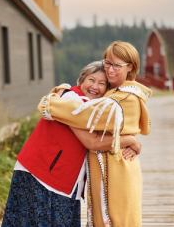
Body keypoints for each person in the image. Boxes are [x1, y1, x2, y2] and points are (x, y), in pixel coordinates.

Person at [1, 61, 141, 227]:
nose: (95, 86)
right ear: (81, 80)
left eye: (102, 83)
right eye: (91, 80)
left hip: (61, 180)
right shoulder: (71, 101)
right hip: (39, 175)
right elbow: (92, 142)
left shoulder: (91, 109)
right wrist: (131, 141)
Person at [38, 41, 152, 227]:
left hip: (117, 169)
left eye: (117, 65)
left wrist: (53, 101)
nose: (110, 70)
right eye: (107, 62)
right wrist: (131, 140)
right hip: (110, 167)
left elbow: (84, 115)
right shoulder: (114, 92)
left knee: (118, 220)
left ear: (130, 67)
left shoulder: (123, 98)